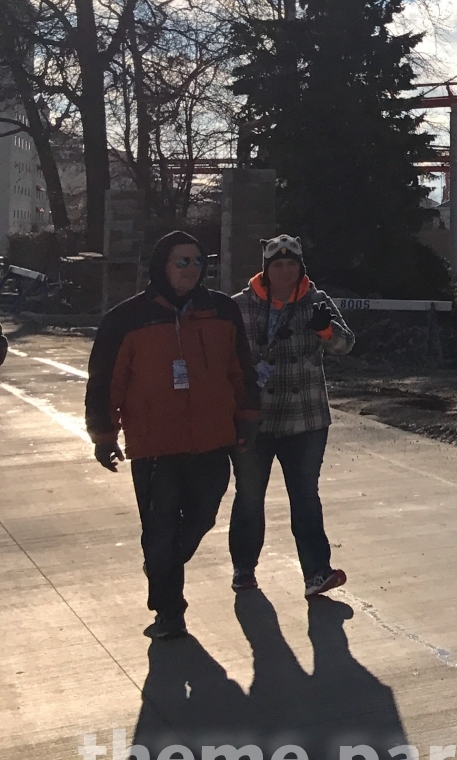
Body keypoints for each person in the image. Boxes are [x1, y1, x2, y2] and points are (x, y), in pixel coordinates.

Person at [85, 230, 260, 640]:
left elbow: (241, 368)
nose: (191, 269)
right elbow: (105, 382)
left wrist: (248, 417)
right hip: (155, 448)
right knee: (160, 530)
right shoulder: (127, 318)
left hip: (212, 441)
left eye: (199, 261)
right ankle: (169, 611)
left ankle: (160, 564)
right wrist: (104, 435)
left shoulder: (221, 311)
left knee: (202, 518)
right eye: (182, 261)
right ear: (162, 266)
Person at [228, 234, 355, 598]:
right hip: (255, 418)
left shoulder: (317, 300)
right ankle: (244, 569)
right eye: (278, 264)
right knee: (249, 495)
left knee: (305, 497)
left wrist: (325, 330)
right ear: (266, 270)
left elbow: (346, 344)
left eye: (292, 264)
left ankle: (317, 573)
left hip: (305, 419)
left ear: (301, 267)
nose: (285, 271)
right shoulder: (241, 305)